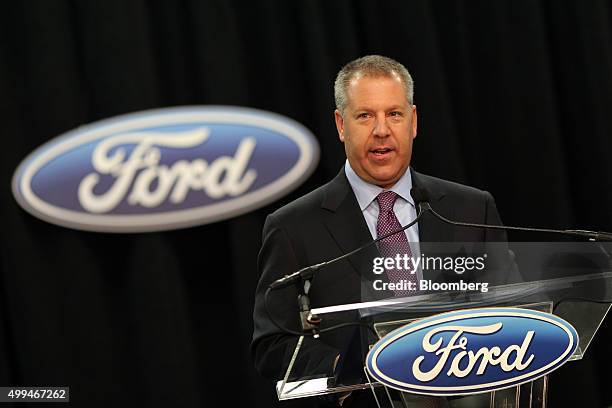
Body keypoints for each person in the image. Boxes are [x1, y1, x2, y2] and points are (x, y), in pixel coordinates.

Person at [251, 55, 512, 407]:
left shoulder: (469, 209)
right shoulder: (293, 226)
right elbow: (272, 346)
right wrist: (353, 368)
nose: (382, 130)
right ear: (341, 125)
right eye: (365, 116)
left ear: (413, 121)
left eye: (394, 114)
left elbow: (516, 310)